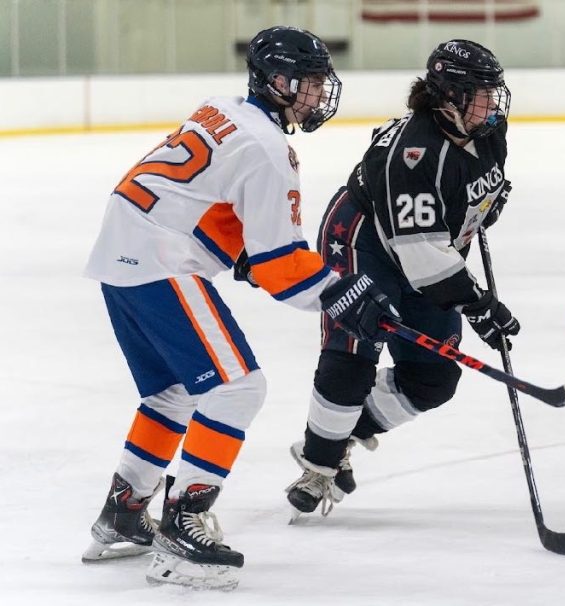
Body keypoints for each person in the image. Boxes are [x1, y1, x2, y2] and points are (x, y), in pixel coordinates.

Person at [81, 26, 397, 590]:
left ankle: (124, 509)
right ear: (276, 81)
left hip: (120, 251)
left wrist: (241, 253)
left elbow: (207, 202)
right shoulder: (269, 150)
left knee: (173, 393)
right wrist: (344, 295)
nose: (319, 92)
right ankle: (185, 521)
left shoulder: (222, 109)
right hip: (158, 259)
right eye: (308, 82)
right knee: (238, 388)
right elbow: (283, 270)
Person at [283, 39, 518, 516]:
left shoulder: (489, 130)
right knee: (352, 357)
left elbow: (474, 193)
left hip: (425, 252)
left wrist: (483, 207)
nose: (493, 104)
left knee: (433, 378)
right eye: (481, 93)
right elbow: (424, 260)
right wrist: (478, 305)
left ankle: (345, 432)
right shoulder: (414, 153)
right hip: (362, 241)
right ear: (449, 95)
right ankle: (319, 462)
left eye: (495, 92)